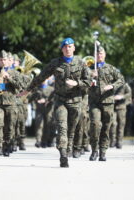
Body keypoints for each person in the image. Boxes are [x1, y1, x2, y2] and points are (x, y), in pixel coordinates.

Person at [19, 38, 91, 168]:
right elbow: (41, 77)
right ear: (62, 49)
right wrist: (28, 90)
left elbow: (89, 82)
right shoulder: (55, 63)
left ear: (74, 48)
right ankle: (63, 154)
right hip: (60, 100)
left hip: (76, 101)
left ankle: (69, 147)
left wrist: (77, 83)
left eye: (70, 46)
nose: (68, 49)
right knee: (62, 127)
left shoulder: (81, 63)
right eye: (65, 47)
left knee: (72, 129)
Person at [88, 46, 125, 161]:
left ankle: (103, 151)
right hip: (94, 102)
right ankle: (94, 150)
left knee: (106, 127)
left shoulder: (111, 68)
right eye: (97, 54)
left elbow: (121, 80)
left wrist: (112, 86)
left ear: (104, 55)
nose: (99, 55)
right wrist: (90, 77)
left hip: (108, 102)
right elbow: (82, 81)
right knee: (94, 125)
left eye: (101, 53)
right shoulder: (89, 69)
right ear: (94, 56)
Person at [0, 50, 23, 156]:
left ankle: (8, 145)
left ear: (8, 61)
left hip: (11, 103)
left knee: (10, 126)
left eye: (5, 59)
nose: (3, 61)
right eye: (1, 59)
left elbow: (20, 86)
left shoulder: (15, 73)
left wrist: (8, 78)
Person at [109, 82, 132, 149]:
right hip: (112, 106)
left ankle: (119, 141)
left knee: (121, 125)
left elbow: (129, 93)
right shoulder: (111, 83)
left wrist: (121, 97)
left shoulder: (124, 85)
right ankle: (112, 140)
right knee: (113, 124)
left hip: (121, 107)